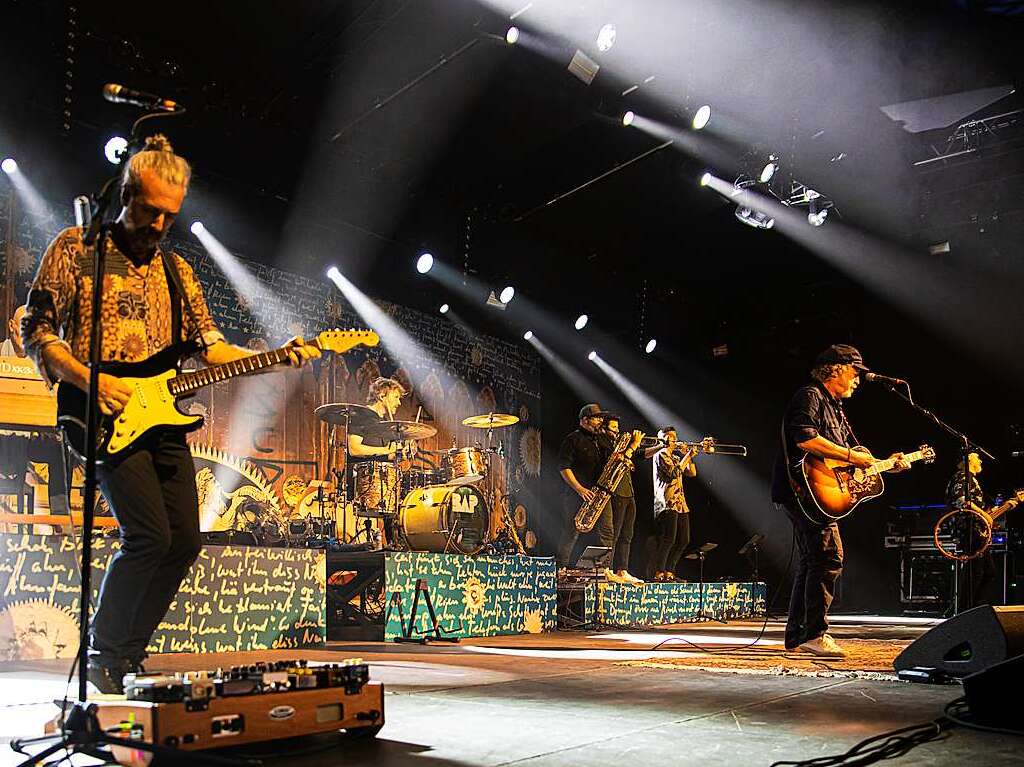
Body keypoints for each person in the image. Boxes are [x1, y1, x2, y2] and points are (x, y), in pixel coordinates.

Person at [22, 135, 320, 693]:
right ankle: (102, 653)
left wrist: (276, 359)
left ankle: (126, 656)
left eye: (171, 216)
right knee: (149, 538)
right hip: (101, 414)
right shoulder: (74, 247)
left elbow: (211, 348)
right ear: (125, 195)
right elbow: (34, 331)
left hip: (163, 419)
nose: (160, 225)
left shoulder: (178, 272)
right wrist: (90, 379)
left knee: (184, 541)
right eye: (150, 211)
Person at [771, 344, 908, 657]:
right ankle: (814, 634)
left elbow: (846, 464)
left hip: (815, 491)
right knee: (828, 557)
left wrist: (885, 463)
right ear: (835, 368)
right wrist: (850, 456)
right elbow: (804, 438)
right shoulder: (811, 395)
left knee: (814, 560)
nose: (858, 378)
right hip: (802, 489)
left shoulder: (835, 408)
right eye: (854, 371)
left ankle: (799, 636)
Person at [945, 451, 997, 607]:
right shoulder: (963, 476)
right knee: (977, 572)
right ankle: (967, 609)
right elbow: (961, 500)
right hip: (969, 530)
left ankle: (974, 607)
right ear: (968, 460)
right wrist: (983, 515)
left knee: (987, 571)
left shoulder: (970, 479)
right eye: (977, 457)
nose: (980, 460)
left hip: (975, 529)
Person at [650, 426, 697, 582]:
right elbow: (674, 473)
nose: (675, 439)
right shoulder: (660, 454)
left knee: (684, 539)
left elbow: (691, 473)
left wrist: (688, 457)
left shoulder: (676, 457)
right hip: (668, 501)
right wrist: (688, 455)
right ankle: (659, 572)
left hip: (680, 502)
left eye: (675, 436)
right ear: (663, 438)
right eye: (671, 436)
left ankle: (669, 572)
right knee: (668, 538)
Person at [603, 416, 646, 585]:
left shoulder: (621, 445)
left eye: (617, 427)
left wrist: (659, 446)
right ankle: (608, 569)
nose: (617, 431)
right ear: (605, 429)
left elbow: (640, 455)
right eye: (613, 427)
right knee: (615, 533)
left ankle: (622, 570)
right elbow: (615, 461)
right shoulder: (605, 444)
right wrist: (634, 444)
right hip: (617, 493)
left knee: (627, 534)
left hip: (629, 493)